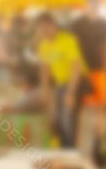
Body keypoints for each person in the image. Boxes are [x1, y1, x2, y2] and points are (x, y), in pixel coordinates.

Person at [36, 13, 86, 149]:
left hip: (74, 83)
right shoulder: (44, 45)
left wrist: (71, 92)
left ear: (54, 26)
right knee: (58, 119)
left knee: (67, 119)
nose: (44, 31)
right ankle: (64, 149)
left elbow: (76, 67)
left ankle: (70, 151)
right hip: (60, 85)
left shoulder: (68, 40)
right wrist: (44, 92)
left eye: (47, 27)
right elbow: (44, 70)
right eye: (41, 29)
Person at [70, 0, 106, 133]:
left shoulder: (104, 24)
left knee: (100, 101)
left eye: (98, 2)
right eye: (93, 1)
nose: (95, 4)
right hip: (81, 68)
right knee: (80, 101)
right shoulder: (78, 23)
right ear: (87, 2)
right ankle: (79, 129)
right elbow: (73, 46)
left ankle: (98, 127)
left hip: (99, 65)